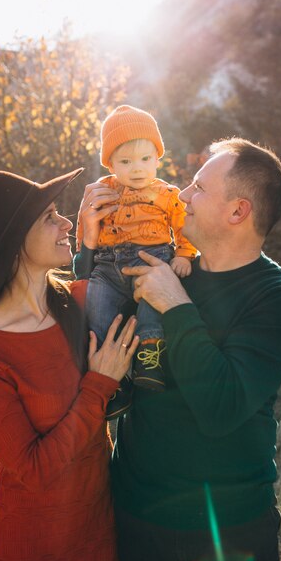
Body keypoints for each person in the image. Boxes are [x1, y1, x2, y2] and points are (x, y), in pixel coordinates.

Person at [108, 137, 281, 561]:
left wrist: (175, 305)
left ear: (238, 211)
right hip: (137, 520)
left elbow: (221, 405)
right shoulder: (163, 267)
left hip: (232, 534)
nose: (182, 194)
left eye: (198, 187)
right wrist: (92, 236)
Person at [0, 168, 138, 561]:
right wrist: (99, 385)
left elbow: (131, 287)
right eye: (49, 216)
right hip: (37, 545)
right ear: (15, 241)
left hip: (99, 528)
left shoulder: (76, 299)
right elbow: (36, 470)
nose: (66, 222)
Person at [74, 104, 196, 418]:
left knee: (151, 307)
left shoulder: (168, 194)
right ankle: (110, 380)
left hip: (151, 257)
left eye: (145, 159)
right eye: (126, 161)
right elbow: (85, 228)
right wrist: (84, 241)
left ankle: (149, 358)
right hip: (107, 265)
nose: (137, 168)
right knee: (97, 311)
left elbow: (183, 225)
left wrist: (184, 254)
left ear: (158, 158)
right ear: (111, 163)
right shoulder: (101, 190)